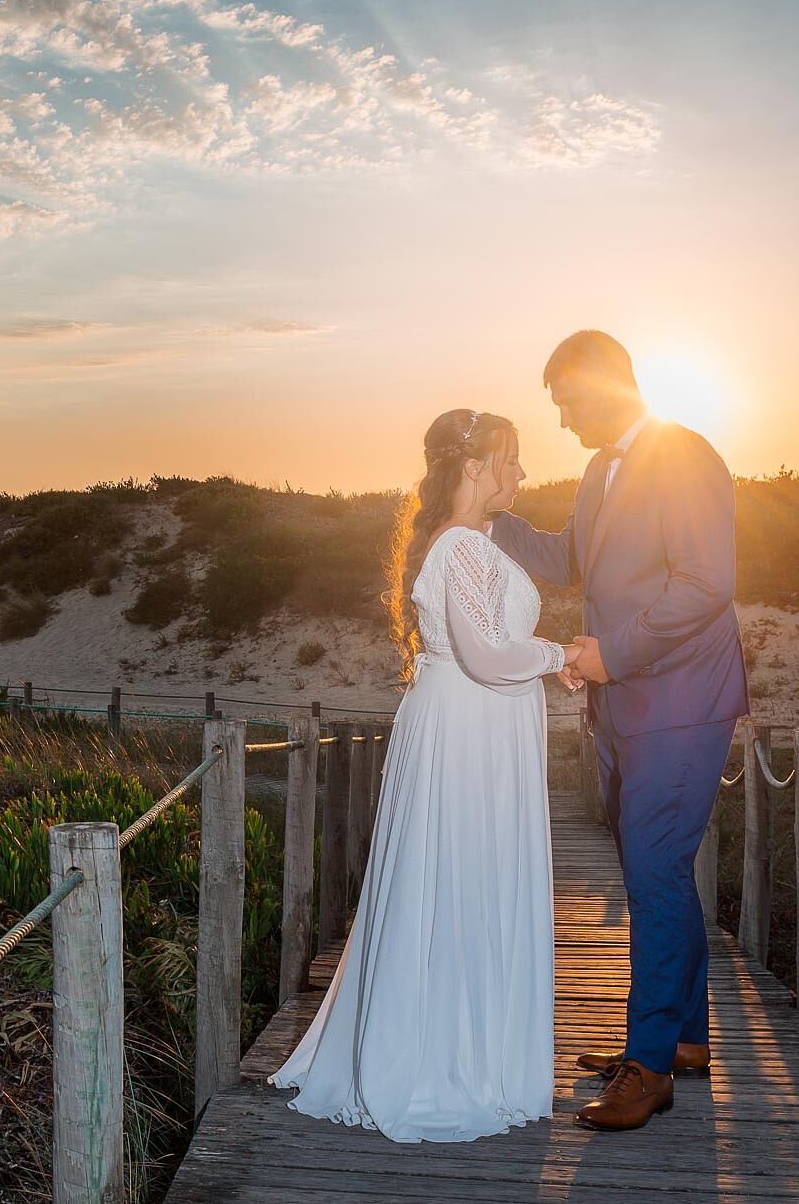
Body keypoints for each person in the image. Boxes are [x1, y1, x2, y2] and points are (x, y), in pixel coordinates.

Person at [266, 409, 578, 1143]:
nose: (522, 474)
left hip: (477, 728)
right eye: (511, 459)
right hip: (467, 730)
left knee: (463, 875)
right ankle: (447, 1058)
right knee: (458, 874)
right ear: (473, 468)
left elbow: (495, 646)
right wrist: (562, 656)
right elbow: (487, 656)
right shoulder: (459, 547)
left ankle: (472, 1047)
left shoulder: (473, 543)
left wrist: (542, 660)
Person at [489, 329, 750, 1132]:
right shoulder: (601, 471)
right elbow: (573, 558)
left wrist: (613, 654)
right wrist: (491, 519)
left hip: (679, 703)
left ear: (605, 383)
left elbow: (708, 580)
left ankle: (647, 1066)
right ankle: (684, 1040)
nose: (564, 420)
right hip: (622, 708)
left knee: (651, 873)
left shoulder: (685, 453)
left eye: (568, 401)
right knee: (664, 872)